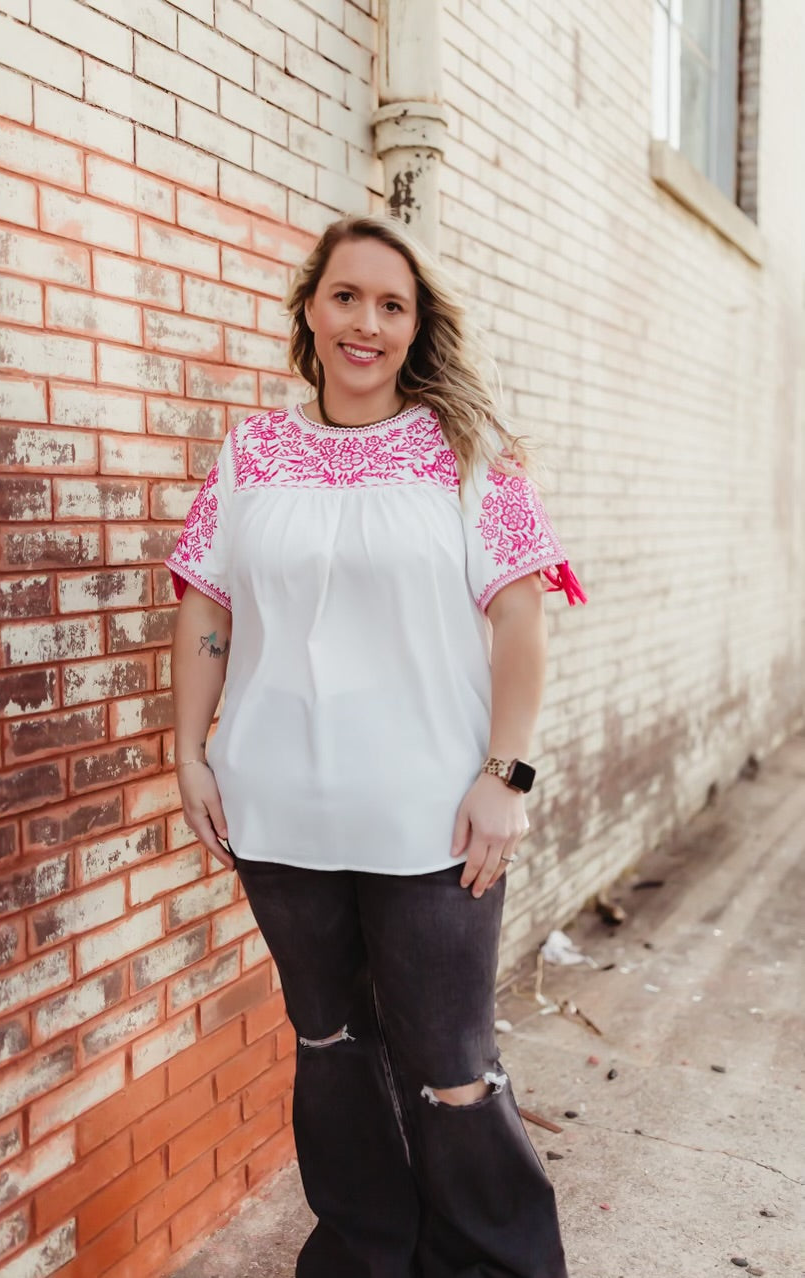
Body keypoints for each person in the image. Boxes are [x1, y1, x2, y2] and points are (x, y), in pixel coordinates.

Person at [166, 214, 585, 1278]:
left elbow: (523, 621)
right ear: (311, 308)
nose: (366, 322)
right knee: (330, 1044)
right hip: (277, 810)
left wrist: (507, 773)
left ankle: (494, 1263)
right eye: (346, 296)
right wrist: (188, 751)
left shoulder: (468, 451)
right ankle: (362, 1253)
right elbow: (207, 604)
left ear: (415, 325)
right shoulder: (253, 449)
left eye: (391, 304)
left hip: (435, 815)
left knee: (450, 1065)